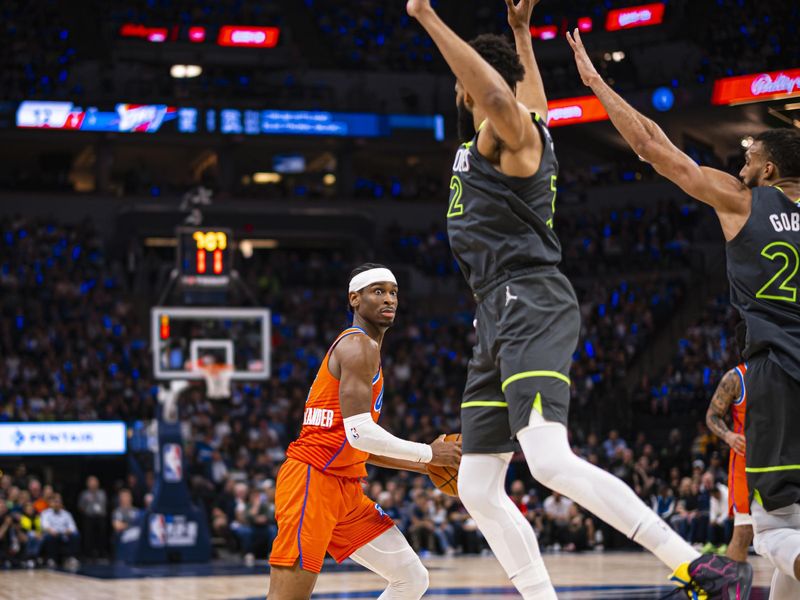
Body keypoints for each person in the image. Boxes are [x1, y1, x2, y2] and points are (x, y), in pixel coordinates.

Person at [406, 0, 750, 597]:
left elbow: (502, 100)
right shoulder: (513, 131)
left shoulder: (508, 131)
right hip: (495, 312)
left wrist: (427, 17)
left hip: (529, 301)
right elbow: (525, 98)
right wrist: (520, 31)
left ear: (470, 87)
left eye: (467, 83)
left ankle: (696, 563)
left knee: (547, 462)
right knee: (478, 486)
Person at [568, 25, 800, 600]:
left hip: (776, 371)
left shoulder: (744, 200)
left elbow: (653, 146)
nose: (742, 158)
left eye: (751, 154)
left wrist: (597, 83)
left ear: (768, 171)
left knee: (771, 530)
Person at [267, 263, 461, 600]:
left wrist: (426, 466)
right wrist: (431, 453)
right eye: (378, 291)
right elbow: (361, 435)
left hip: (345, 486)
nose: (389, 299)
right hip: (312, 481)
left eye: (393, 292)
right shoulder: (358, 347)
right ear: (354, 299)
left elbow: (360, 446)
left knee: (411, 578)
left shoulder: (368, 351)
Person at [705, 324, 753, 561]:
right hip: (745, 462)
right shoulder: (736, 378)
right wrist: (728, 436)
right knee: (744, 531)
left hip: (778, 458)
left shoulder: (781, 372)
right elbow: (711, 415)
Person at [41, 493, 80, 569]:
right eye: (55, 502)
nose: (56, 504)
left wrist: (68, 531)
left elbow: (73, 527)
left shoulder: (67, 514)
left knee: (76, 535)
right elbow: (45, 526)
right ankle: (51, 559)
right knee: (49, 536)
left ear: (61, 504)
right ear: (51, 503)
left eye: (58, 502)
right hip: (52, 534)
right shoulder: (46, 513)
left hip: (64, 533)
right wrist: (51, 531)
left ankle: (71, 558)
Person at [77, 475, 107, 561]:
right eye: (91, 482)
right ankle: (88, 555)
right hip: (89, 517)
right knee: (89, 536)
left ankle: (101, 554)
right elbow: (80, 506)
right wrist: (87, 511)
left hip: (100, 517)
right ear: (88, 484)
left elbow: (104, 505)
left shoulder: (102, 493)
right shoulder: (84, 494)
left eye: (95, 481)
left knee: (101, 536)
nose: (93, 484)